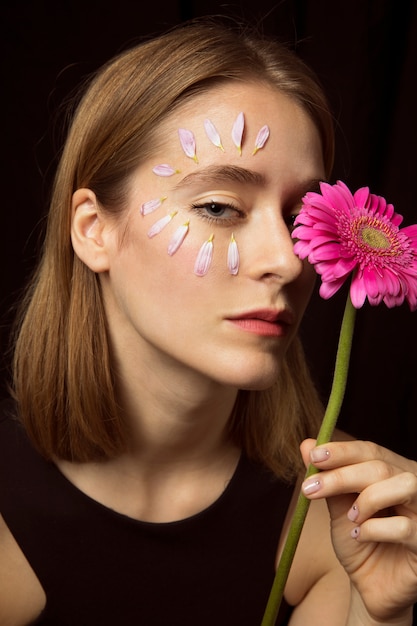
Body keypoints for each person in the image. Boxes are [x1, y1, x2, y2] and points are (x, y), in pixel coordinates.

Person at [1, 16, 416, 626]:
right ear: (94, 230)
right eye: (219, 206)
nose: (286, 260)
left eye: (300, 216)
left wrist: (385, 613)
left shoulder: (350, 515)